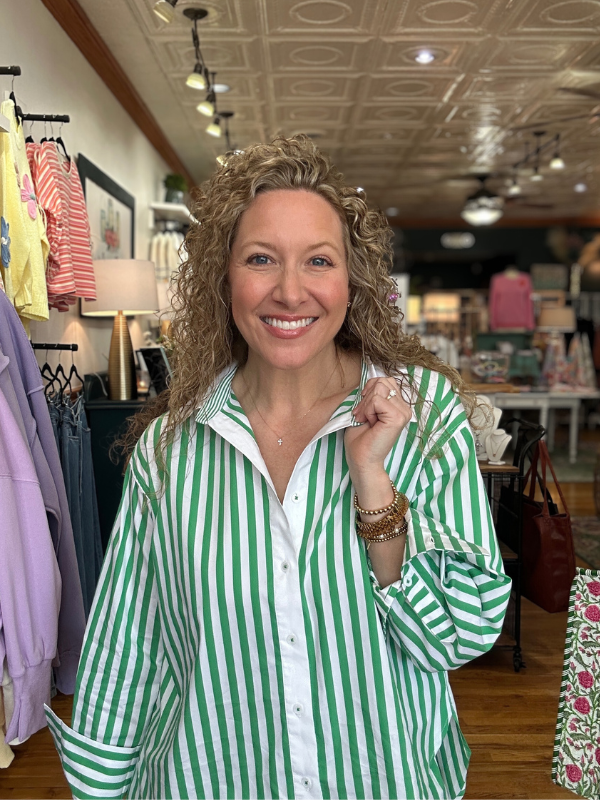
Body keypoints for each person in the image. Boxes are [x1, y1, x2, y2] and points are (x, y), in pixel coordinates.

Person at [45, 136, 511, 799]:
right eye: (261, 259)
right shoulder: (170, 453)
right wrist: (97, 787)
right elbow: (132, 646)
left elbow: (461, 634)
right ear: (224, 278)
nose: (290, 293)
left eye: (318, 261)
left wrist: (374, 489)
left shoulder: (423, 417)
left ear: (352, 281)